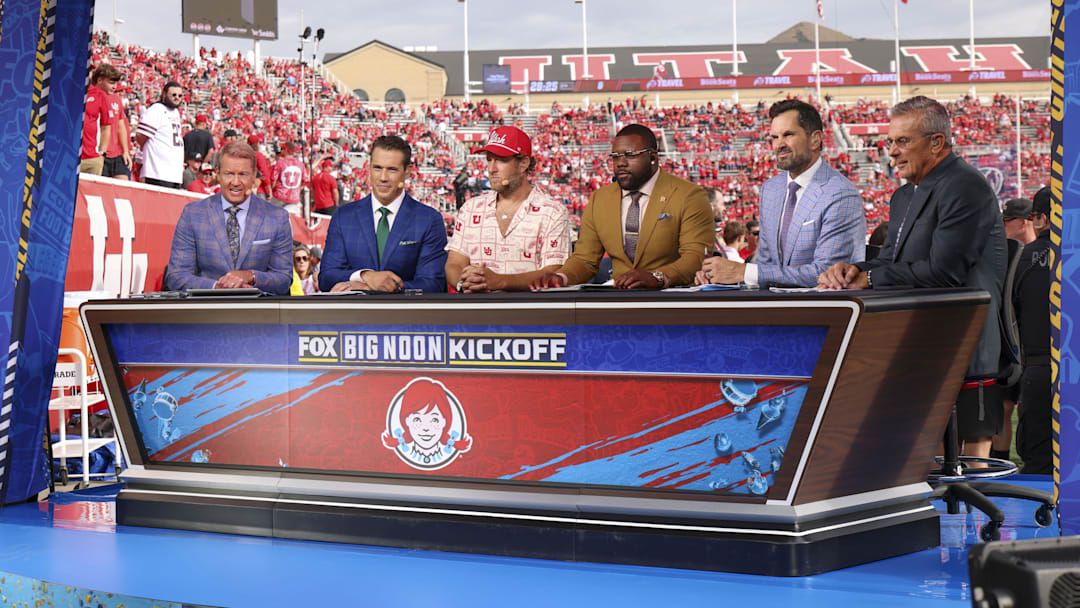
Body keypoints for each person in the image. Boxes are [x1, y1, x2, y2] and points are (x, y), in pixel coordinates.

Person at [818, 95, 1007, 459]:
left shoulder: (966, 186)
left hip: (966, 338)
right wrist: (856, 269)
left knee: (968, 461)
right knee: (917, 455)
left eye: (902, 141)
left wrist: (870, 282)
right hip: (918, 335)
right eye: (890, 142)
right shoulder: (905, 195)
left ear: (937, 142)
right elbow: (891, 260)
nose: (892, 152)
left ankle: (976, 517)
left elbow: (945, 273)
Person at [697, 100, 864, 287]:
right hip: (772, 308)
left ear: (815, 140)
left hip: (821, 310)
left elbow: (827, 273)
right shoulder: (770, 190)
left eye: (788, 135)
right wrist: (719, 277)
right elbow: (765, 265)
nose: (779, 145)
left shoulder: (840, 194)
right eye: (775, 137)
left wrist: (743, 272)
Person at [532, 124, 712, 289]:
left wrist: (658, 277)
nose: (620, 163)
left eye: (630, 155)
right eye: (615, 157)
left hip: (673, 301)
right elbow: (585, 260)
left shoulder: (689, 195)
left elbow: (695, 256)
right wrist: (562, 277)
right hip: (619, 301)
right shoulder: (599, 199)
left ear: (653, 157)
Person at [446, 126, 571, 293]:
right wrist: (465, 285)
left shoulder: (552, 212)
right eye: (489, 160)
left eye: (501, 160)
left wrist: (499, 282)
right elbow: (454, 262)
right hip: (478, 310)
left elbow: (553, 272)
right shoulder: (471, 208)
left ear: (523, 164)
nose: (492, 168)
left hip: (531, 312)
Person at [318, 135, 448, 293]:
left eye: (392, 169)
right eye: (377, 168)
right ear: (369, 168)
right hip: (354, 316)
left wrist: (383, 288)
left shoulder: (428, 219)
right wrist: (365, 276)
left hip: (405, 316)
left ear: (407, 172)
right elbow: (326, 277)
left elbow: (433, 284)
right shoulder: (344, 217)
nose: (383, 177)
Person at [164, 141, 293, 294]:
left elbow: (283, 279)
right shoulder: (193, 214)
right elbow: (176, 276)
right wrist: (217, 287)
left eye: (243, 174)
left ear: (254, 176)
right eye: (229, 174)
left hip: (258, 314)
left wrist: (251, 276)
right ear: (217, 174)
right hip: (207, 312)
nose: (236, 182)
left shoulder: (277, 217)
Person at [1013, 186, 1052, 473]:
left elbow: (1009, 314)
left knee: (1038, 462)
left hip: (1038, 369)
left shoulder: (1022, 259)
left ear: (1042, 219)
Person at [136, 81, 185, 188]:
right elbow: (141, 136)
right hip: (157, 171)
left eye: (180, 95)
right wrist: (142, 159)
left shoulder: (175, 112)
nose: (177, 98)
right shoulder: (156, 109)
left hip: (173, 174)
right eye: (173, 95)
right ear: (164, 94)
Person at [80, 64, 120, 175]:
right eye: (111, 83)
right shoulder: (72, 91)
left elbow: (106, 128)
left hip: (91, 158)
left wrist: (101, 153)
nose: (114, 87)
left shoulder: (100, 95)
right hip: (69, 156)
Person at [99, 64, 132, 180]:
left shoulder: (116, 99)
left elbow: (121, 127)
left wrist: (125, 151)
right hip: (100, 154)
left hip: (117, 153)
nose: (114, 87)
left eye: (116, 83)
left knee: (122, 189)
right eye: (111, 83)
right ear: (100, 80)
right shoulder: (92, 97)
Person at [270, 141, 307, 213]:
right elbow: (304, 180)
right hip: (293, 198)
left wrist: (272, 191)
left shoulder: (280, 162)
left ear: (286, 150)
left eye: (282, 148)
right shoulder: (300, 164)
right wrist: (297, 191)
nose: (280, 150)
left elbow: (273, 180)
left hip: (279, 197)